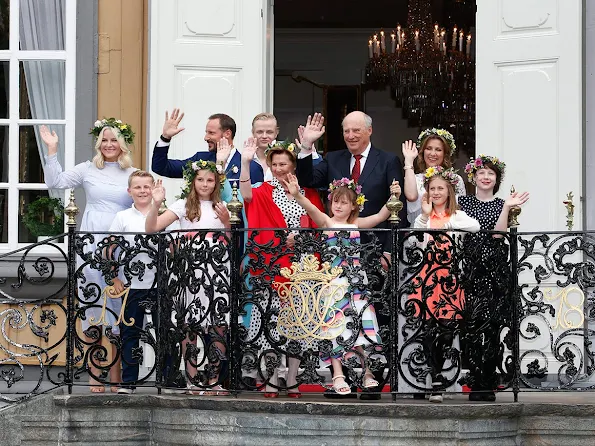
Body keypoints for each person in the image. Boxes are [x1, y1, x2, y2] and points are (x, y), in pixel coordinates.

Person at [297, 111, 406, 399]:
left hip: (372, 252)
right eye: (346, 131)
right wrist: (307, 148)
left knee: (370, 316)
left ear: (370, 131)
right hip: (335, 271)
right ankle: (340, 376)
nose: (351, 136)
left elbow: (395, 210)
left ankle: (371, 376)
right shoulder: (332, 159)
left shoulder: (388, 160)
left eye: (357, 130)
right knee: (337, 319)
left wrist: (388, 249)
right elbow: (307, 178)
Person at [41, 118, 137, 392]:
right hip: (91, 244)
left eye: (114, 140)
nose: (109, 144)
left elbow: (145, 204)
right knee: (93, 307)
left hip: (120, 247)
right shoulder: (87, 169)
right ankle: (96, 375)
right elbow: (56, 182)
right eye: (104, 140)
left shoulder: (133, 172)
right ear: (98, 144)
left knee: (118, 313)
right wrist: (52, 150)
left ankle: (117, 378)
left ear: (123, 143)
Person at [285, 173, 400, 396]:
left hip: (356, 282)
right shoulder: (327, 222)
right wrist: (297, 194)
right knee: (334, 326)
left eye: (344, 202)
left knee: (362, 324)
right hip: (334, 282)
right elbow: (311, 209)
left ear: (353, 206)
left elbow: (379, 216)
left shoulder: (356, 223)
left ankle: (367, 372)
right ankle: (338, 374)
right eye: (335, 201)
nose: (338, 205)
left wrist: (393, 196)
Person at [239, 139, 324, 398]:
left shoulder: (308, 193)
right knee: (269, 324)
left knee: (296, 325)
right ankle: (270, 377)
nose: (278, 168)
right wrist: (245, 162)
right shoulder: (263, 190)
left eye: (283, 163)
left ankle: (292, 379)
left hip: (301, 265)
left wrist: (300, 237)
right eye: (274, 164)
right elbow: (244, 195)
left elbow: (320, 224)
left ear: (293, 165)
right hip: (271, 264)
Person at [145, 160, 231, 396]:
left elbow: (232, 242)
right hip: (190, 270)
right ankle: (192, 378)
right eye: (200, 179)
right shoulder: (182, 205)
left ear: (217, 183)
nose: (205, 184)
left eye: (210, 180)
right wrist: (156, 204)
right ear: (193, 181)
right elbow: (152, 228)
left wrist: (226, 223)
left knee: (217, 323)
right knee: (189, 324)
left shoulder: (223, 206)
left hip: (216, 268)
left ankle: (213, 378)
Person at [459, 155, 529, 402]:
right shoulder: (463, 202)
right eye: (481, 173)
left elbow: (499, 235)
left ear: (496, 180)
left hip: (493, 271)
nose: (486, 177)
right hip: (470, 271)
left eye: (491, 174)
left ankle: (486, 381)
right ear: (474, 177)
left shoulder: (501, 203)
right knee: (470, 327)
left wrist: (507, 207)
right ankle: (474, 378)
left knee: (490, 327)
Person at [410, 166, 480, 403]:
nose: (437, 192)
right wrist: (424, 214)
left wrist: (449, 226)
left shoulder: (456, 215)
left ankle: (440, 372)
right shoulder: (426, 215)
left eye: (441, 188)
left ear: (449, 191)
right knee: (428, 328)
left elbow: (475, 226)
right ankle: (434, 375)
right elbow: (415, 238)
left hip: (450, 279)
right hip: (428, 277)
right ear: (427, 192)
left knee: (447, 328)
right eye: (432, 189)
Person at [106, 170, 160, 394]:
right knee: (130, 334)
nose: (143, 191)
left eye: (147, 186)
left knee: (164, 331)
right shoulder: (122, 217)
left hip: (159, 284)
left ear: (154, 189)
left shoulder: (163, 214)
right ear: (130, 192)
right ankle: (129, 382)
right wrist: (113, 276)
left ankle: (166, 379)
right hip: (131, 286)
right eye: (137, 187)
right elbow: (109, 248)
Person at [151, 109, 264, 183]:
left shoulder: (250, 167)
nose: (206, 137)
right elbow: (161, 167)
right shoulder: (200, 159)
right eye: (206, 132)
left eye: (211, 133)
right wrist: (165, 138)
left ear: (227, 134)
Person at [402, 128, 466, 225]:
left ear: (445, 154)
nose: (432, 153)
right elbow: (411, 196)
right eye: (428, 148)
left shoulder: (455, 179)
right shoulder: (414, 178)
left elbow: (461, 211)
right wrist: (408, 160)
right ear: (423, 152)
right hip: (419, 235)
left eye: (438, 150)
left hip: (447, 235)